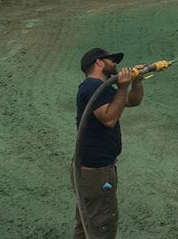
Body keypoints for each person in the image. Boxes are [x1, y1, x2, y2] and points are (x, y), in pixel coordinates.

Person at [73, 48, 144, 239]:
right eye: (111, 60)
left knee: (88, 222)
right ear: (98, 63)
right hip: (96, 173)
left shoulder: (102, 88)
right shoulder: (92, 88)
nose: (115, 63)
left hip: (95, 170)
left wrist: (136, 82)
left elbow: (131, 100)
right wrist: (122, 87)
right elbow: (109, 118)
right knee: (102, 224)